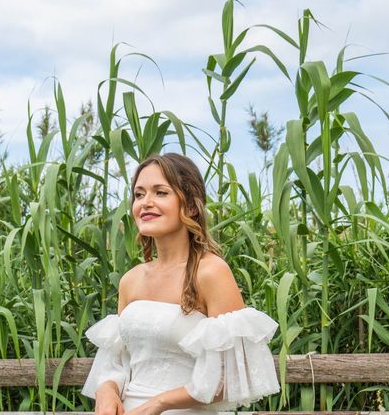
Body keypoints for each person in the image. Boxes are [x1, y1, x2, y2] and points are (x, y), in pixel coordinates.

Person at [81, 153, 280, 415]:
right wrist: (106, 391)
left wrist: (158, 404)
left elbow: (230, 376)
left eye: (160, 193)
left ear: (191, 206)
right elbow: (119, 361)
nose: (145, 203)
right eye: (139, 195)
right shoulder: (131, 280)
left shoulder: (210, 273)